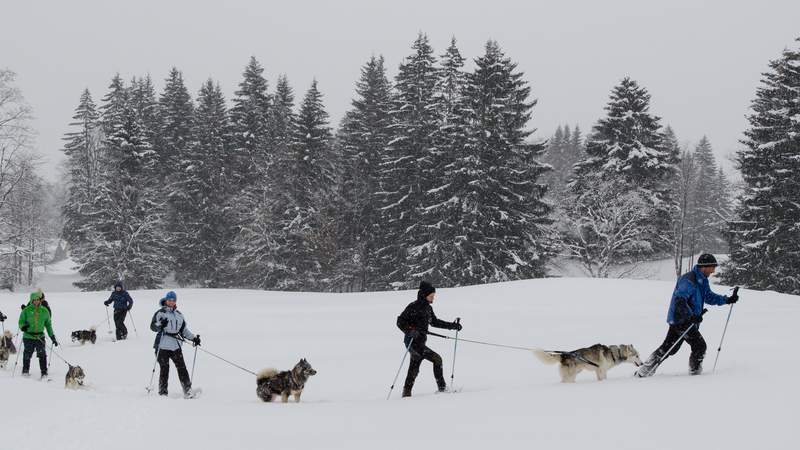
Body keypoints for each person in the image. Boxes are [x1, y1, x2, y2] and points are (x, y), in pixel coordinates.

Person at [636, 254, 739, 377]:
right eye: (712, 267)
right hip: (681, 320)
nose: (713, 271)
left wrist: (727, 300)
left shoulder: (702, 280)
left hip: (686, 320)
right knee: (699, 346)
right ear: (704, 267)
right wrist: (690, 316)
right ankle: (695, 375)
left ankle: (643, 372)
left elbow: (708, 296)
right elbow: (680, 300)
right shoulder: (689, 280)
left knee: (670, 348)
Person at [396, 281, 462, 397]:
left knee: (414, 367)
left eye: (433, 296)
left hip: (420, 342)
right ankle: (442, 388)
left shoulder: (428, 309)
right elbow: (400, 321)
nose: (433, 298)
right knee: (437, 359)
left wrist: (453, 326)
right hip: (412, 342)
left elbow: (435, 322)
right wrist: (410, 330)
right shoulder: (413, 307)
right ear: (424, 295)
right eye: (431, 296)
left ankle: (406, 393)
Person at [149, 291, 200, 397]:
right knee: (164, 369)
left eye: (173, 300)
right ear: (166, 300)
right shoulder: (160, 313)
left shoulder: (179, 315)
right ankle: (163, 392)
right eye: (169, 300)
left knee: (182, 368)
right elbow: (153, 327)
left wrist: (194, 338)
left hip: (175, 346)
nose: (171, 302)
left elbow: (184, 330)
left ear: (175, 301)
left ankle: (187, 390)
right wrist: (160, 325)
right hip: (162, 346)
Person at [18, 291, 58, 379]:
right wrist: (23, 327)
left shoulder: (44, 311)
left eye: (37, 300)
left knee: (42, 354)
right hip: (28, 336)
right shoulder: (26, 311)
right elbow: (20, 322)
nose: (36, 302)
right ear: (31, 300)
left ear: (40, 300)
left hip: (40, 336)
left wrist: (52, 337)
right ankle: (25, 371)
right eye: (34, 300)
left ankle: (44, 373)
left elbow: (48, 325)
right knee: (27, 354)